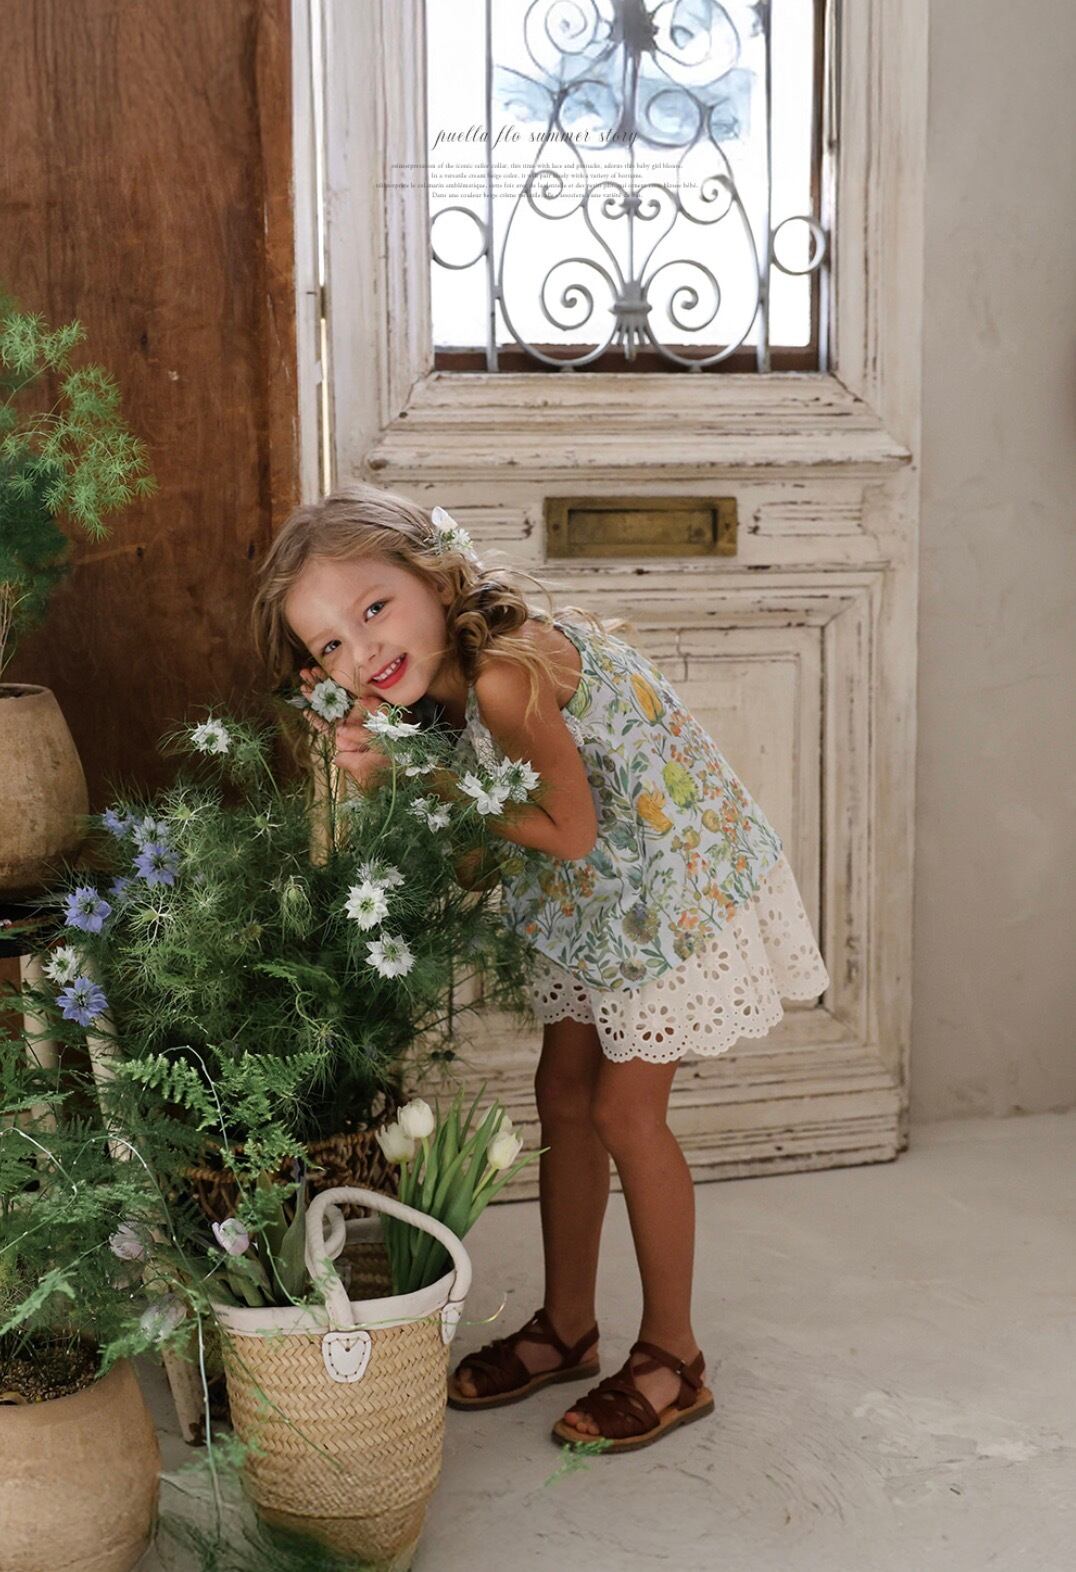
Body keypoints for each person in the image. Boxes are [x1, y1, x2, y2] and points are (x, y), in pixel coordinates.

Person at [252, 481, 829, 1454]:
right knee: (560, 1093)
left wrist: (413, 774)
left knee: (622, 1114)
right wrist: (386, 760)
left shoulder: (503, 673)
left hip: (668, 891)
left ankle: (675, 1354)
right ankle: (568, 1327)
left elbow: (565, 831)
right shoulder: (437, 693)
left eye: (374, 608)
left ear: (436, 577)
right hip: (595, 903)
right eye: (331, 645)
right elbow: (482, 861)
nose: (362, 651)